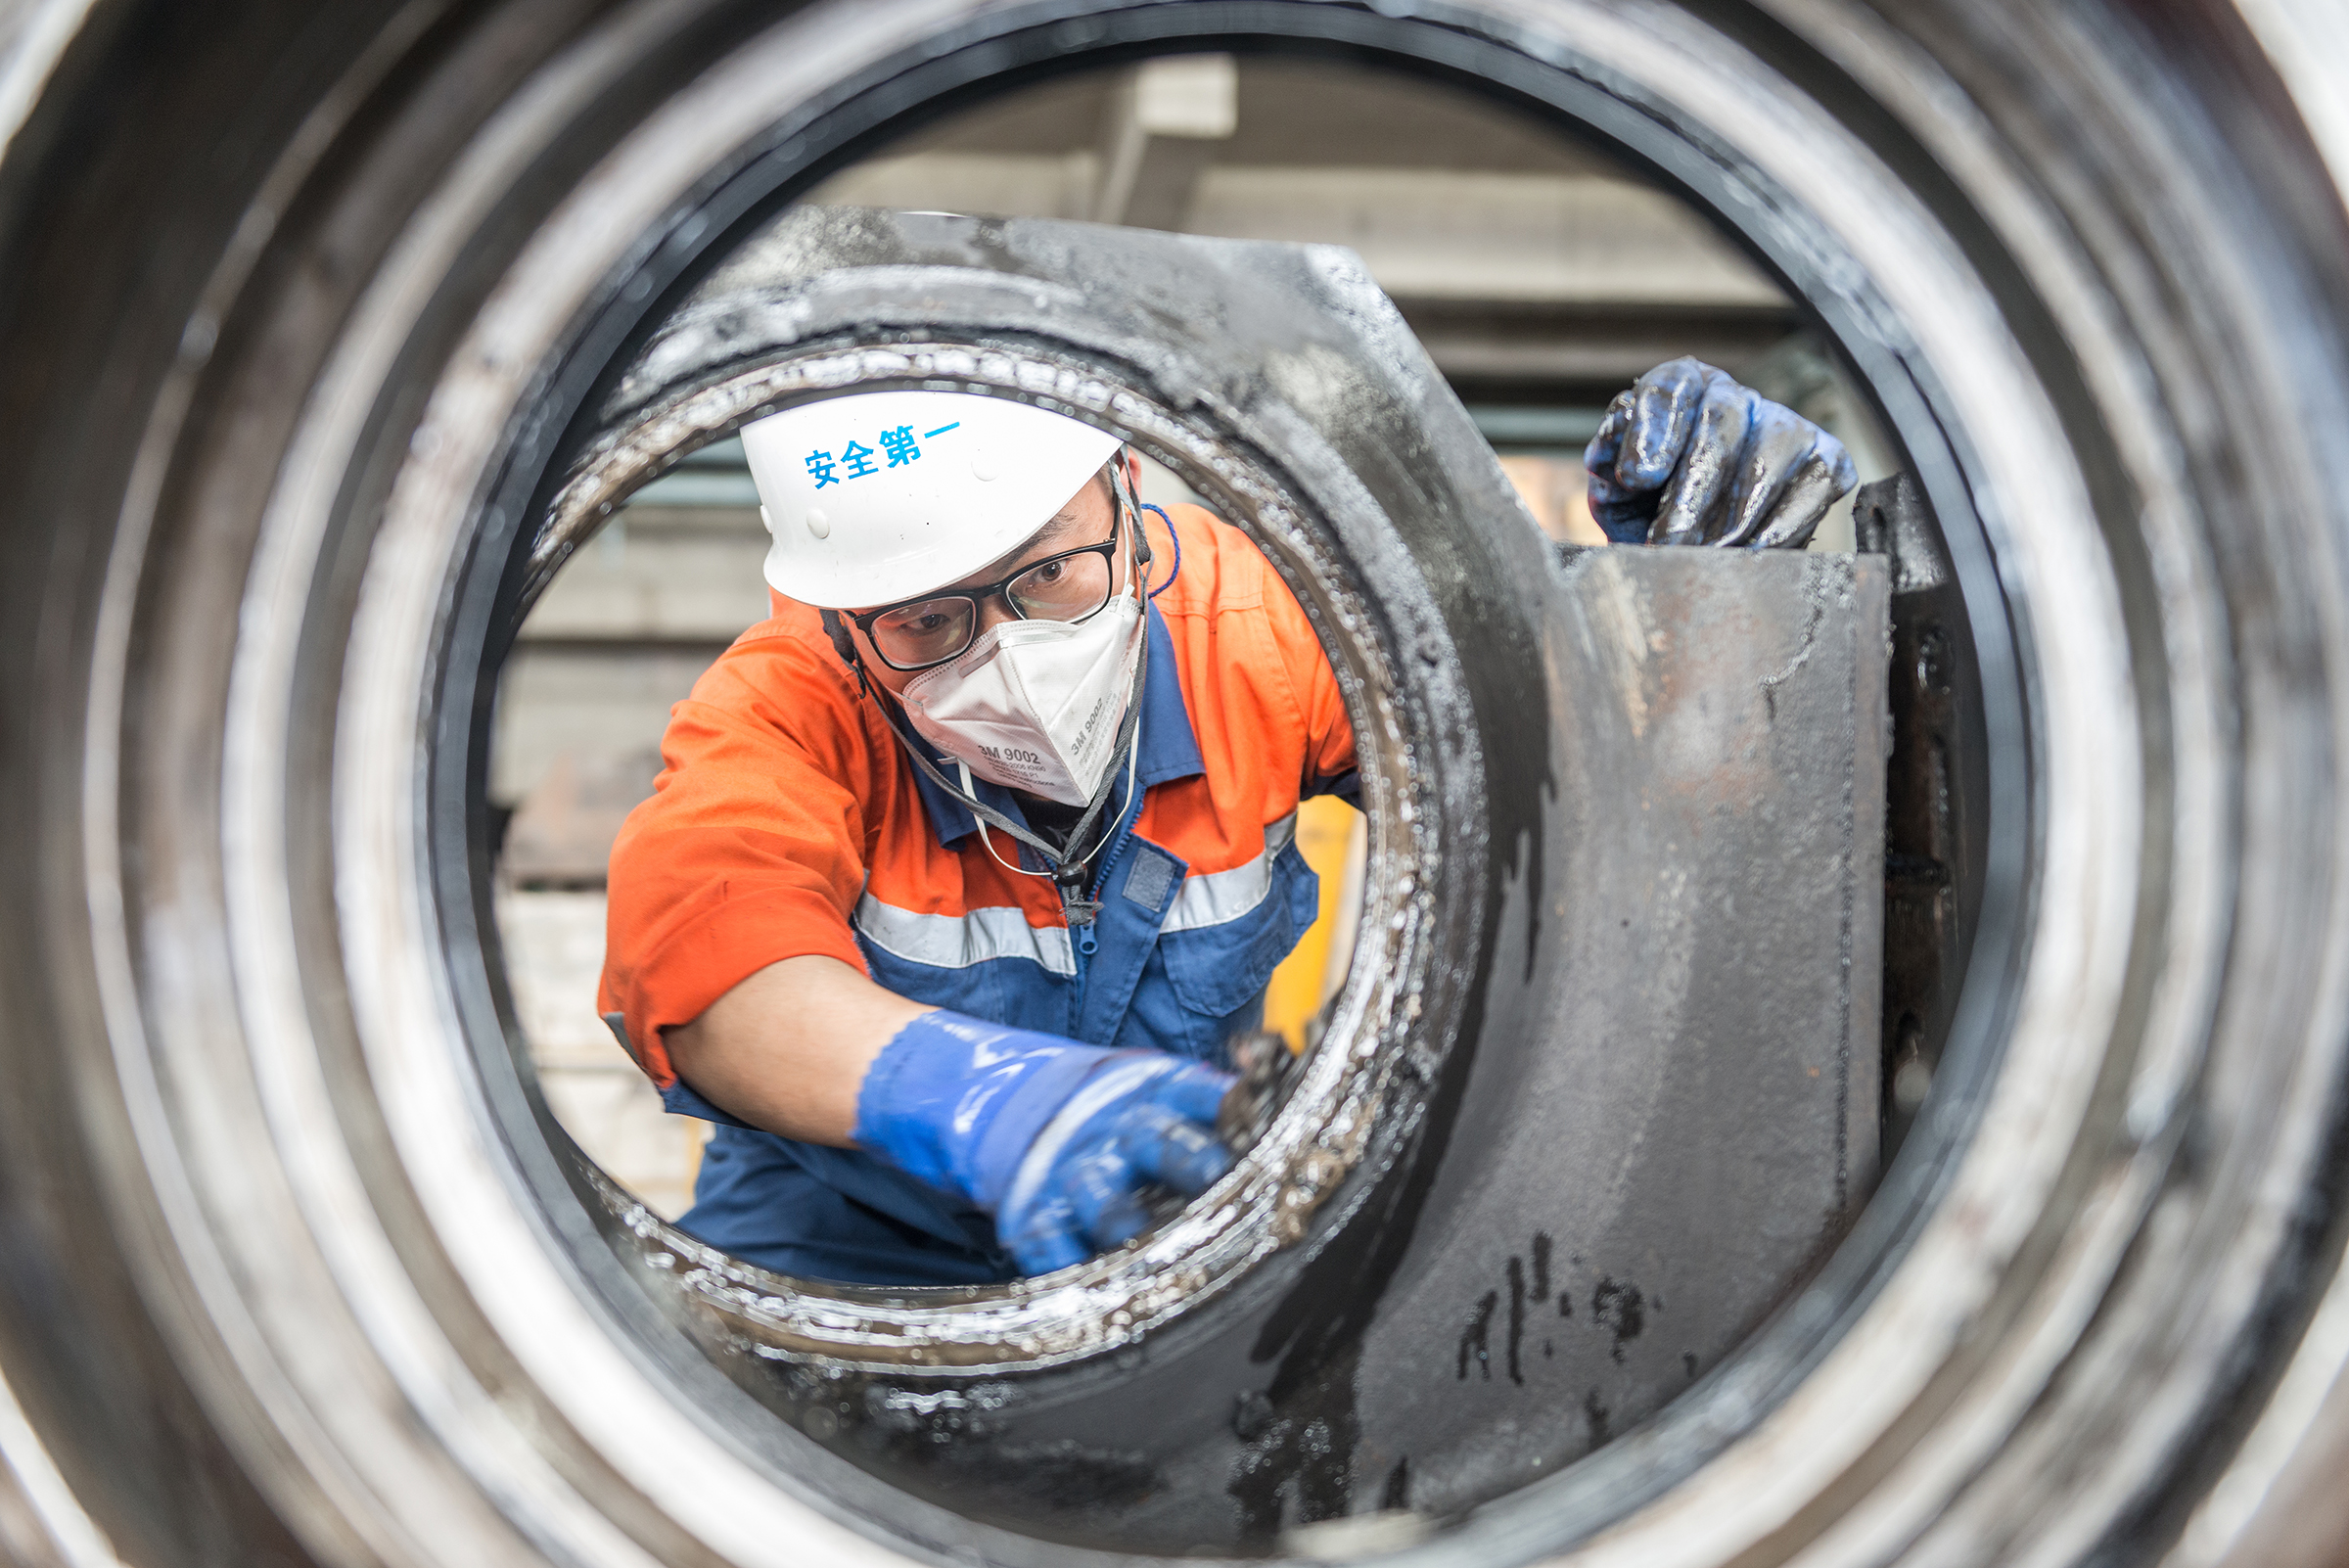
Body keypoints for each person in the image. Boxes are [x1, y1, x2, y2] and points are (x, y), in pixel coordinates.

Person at [595, 356, 1857, 1286]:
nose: (1009, 656)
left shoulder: (1270, 634)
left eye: (1048, 571)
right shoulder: (787, 705)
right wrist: (986, 1100)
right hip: (840, 1239)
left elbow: (1572, 786)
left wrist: (1666, 613)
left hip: (1165, 1208)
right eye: (927, 620)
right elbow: (709, 965)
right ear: (840, 621)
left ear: (1128, 497)